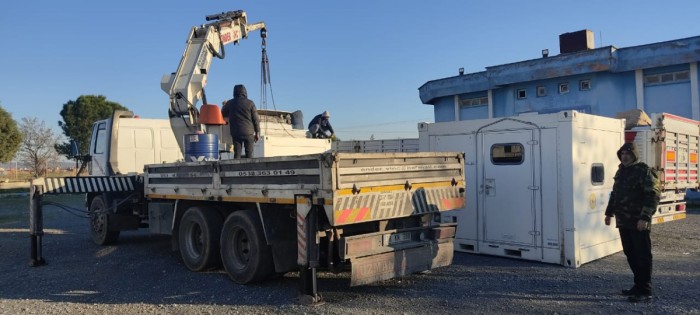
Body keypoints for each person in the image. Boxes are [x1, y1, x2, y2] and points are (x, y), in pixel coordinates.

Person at [604, 142, 660, 303]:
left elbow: (653, 196)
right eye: (622, 154)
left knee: (642, 256)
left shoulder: (644, 171)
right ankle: (637, 285)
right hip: (624, 221)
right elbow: (615, 193)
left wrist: (644, 218)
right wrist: (609, 213)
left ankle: (645, 290)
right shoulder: (621, 171)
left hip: (638, 222)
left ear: (634, 155)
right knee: (631, 254)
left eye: (628, 153)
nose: (624, 156)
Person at [221, 84, 260, 158]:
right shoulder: (250, 103)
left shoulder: (230, 103)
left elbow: (223, 113)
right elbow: (256, 119)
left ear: (234, 92)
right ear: (245, 92)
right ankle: (250, 168)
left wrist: (224, 105)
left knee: (237, 153)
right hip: (248, 133)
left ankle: (236, 169)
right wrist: (257, 132)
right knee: (249, 154)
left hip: (236, 133)